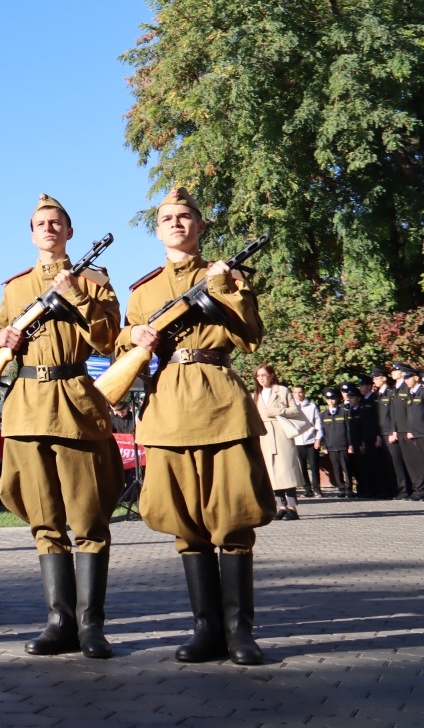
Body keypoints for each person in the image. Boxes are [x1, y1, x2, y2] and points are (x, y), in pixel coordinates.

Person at [116, 187, 272, 666]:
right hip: (168, 410)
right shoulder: (143, 291)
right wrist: (134, 334)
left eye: (185, 217)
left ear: (201, 226)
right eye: (168, 218)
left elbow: (250, 337)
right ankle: (206, 629)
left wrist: (223, 287)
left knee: (235, 516)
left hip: (221, 403)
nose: (177, 223)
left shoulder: (225, 276)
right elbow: (122, 350)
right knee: (186, 522)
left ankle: (239, 632)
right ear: (157, 230)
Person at [0, 194, 123, 659]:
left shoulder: (95, 282)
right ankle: (59, 622)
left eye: (56, 222)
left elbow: (110, 339)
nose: (48, 228)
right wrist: (1, 338)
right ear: (31, 233)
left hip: (76, 404)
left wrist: (75, 295)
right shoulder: (15, 287)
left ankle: (90, 626)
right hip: (26, 408)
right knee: (45, 521)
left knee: (89, 519)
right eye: (40, 223)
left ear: (69, 231)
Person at [253, 365, 304, 520]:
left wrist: (277, 411)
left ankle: (292, 508)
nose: (261, 378)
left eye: (264, 375)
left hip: (281, 432)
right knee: (272, 473)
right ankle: (281, 506)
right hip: (265, 435)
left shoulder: (282, 390)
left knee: (287, 471)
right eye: (258, 376)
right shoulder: (256, 395)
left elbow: (295, 411)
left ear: (271, 375)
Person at [381, 364, 416, 499]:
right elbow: (392, 413)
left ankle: (413, 489)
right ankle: (403, 490)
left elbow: (410, 411)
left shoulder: (406, 388)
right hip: (397, 430)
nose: (393, 372)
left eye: (396, 370)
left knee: (410, 462)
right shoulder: (393, 389)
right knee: (398, 463)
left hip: (407, 430)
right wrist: (393, 430)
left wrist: (410, 428)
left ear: (402, 372)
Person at [289, 385, 323, 498]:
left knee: (314, 465)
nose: (298, 395)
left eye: (300, 392)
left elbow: (318, 423)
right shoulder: (291, 407)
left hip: (311, 440)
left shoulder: (312, 406)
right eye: (295, 392)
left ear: (304, 392)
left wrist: (318, 439)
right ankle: (307, 489)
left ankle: (317, 489)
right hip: (297, 441)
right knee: (302, 467)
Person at [319, 388, 352, 497]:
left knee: (347, 468)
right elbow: (322, 432)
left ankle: (349, 489)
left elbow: (348, 429)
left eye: (333, 399)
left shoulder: (344, 412)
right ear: (326, 401)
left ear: (337, 399)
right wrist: (324, 446)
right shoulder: (323, 415)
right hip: (331, 446)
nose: (331, 401)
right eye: (329, 399)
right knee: (336, 468)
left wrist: (350, 444)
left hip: (343, 445)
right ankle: (341, 488)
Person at [400, 364, 424, 500]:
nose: (406, 381)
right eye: (404, 378)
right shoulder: (410, 394)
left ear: (416, 377)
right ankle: (419, 490)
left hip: (422, 432)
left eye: (408, 377)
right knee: (417, 463)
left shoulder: (422, 392)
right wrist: (409, 430)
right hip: (414, 433)